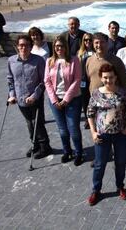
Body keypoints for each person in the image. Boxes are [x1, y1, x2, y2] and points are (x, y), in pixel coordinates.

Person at [87, 64, 126, 206]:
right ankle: (96, 190)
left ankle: (120, 186)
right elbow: (90, 113)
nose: (109, 80)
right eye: (105, 77)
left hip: (121, 134)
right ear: (101, 78)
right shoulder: (96, 94)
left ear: (115, 77)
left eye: (111, 77)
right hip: (102, 135)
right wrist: (93, 132)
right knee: (100, 164)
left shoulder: (123, 93)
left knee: (120, 162)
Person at [7, 35, 52, 159]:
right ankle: (35, 145)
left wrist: (35, 95)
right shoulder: (11, 61)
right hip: (20, 99)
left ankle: (45, 147)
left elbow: (43, 81)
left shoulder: (38, 60)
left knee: (38, 123)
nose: (23, 47)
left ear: (30, 47)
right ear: (17, 46)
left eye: (26, 45)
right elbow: (10, 80)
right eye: (21, 45)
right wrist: (12, 96)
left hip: (35, 99)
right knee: (29, 124)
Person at [44, 36, 84, 165]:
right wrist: (55, 100)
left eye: (61, 46)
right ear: (54, 48)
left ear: (65, 47)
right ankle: (67, 151)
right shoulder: (49, 61)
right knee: (62, 129)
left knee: (73, 128)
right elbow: (47, 81)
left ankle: (79, 153)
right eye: (56, 46)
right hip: (55, 100)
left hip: (73, 99)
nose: (59, 48)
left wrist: (66, 99)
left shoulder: (74, 60)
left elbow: (77, 80)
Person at [77, 33, 94, 129]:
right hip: (83, 80)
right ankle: (88, 119)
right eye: (86, 40)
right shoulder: (80, 53)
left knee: (94, 98)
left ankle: (94, 118)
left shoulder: (96, 52)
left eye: (90, 40)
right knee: (85, 100)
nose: (88, 42)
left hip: (93, 79)